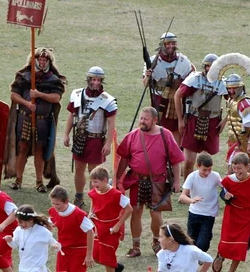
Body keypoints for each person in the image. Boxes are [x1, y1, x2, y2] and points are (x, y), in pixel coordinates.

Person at [115, 106, 183, 256]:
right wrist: (118, 179)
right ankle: (136, 246)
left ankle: (157, 242)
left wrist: (177, 181)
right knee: (136, 212)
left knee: (156, 214)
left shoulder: (166, 135)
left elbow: (175, 160)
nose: (142, 121)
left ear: (155, 120)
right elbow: (124, 158)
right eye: (141, 118)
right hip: (136, 180)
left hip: (158, 180)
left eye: (146, 119)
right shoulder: (133, 135)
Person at [9, 48, 66, 192]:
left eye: (44, 60)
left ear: (48, 61)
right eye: (39, 59)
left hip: (42, 120)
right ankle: (18, 179)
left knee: (40, 150)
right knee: (22, 148)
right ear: (34, 60)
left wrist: (39, 94)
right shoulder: (24, 76)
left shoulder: (53, 79)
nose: (42, 62)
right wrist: (27, 103)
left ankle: (39, 182)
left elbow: (56, 97)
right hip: (25, 117)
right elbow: (14, 95)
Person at [63, 66, 117, 208]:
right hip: (80, 138)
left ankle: (95, 198)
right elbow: (71, 116)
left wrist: (108, 143)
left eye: (98, 80)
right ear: (89, 80)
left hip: (96, 139)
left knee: (94, 172)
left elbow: (111, 124)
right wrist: (66, 134)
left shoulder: (108, 100)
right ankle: (79, 196)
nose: (96, 83)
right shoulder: (77, 94)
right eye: (93, 79)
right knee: (79, 168)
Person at [213, 153, 250, 272]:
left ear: (247, 167)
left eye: (239, 168)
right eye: (234, 168)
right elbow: (223, 194)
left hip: (247, 216)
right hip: (232, 214)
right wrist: (226, 197)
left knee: (241, 247)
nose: (237, 171)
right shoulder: (228, 180)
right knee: (226, 242)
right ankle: (221, 255)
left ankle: (231, 270)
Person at [174, 53, 227, 179]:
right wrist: (180, 120)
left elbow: (233, 102)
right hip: (193, 119)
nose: (210, 69)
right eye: (208, 66)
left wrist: (225, 121)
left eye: (213, 67)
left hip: (212, 121)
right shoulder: (194, 79)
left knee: (206, 161)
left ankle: (204, 185)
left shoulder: (222, 83)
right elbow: (178, 95)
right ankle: (187, 188)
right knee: (189, 161)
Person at [143, 31, 194, 144]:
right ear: (162, 45)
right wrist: (148, 76)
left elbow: (191, 82)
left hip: (177, 101)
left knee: (176, 130)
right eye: (167, 44)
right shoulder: (153, 61)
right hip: (159, 99)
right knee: (157, 128)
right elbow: (146, 84)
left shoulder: (183, 61)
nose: (171, 46)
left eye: (173, 43)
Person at [88, 166, 132, 272]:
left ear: (105, 180)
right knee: (96, 255)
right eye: (92, 182)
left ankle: (113, 267)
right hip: (97, 228)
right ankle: (116, 267)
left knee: (107, 259)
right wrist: (91, 212)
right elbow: (93, 200)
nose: (93, 185)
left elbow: (129, 210)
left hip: (110, 230)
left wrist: (117, 226)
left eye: (96, 182)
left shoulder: (116, 195)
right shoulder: (95, 192)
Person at [178, 153, 222, 252]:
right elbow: (182, 197)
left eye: (209, 169)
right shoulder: (192, 177)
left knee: (203, 243)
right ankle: (193, 262)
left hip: (209, 214)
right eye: (204, 170)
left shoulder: (215, 176)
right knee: (191, 241)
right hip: (194, 213)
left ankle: (199, 258)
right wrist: (192, 200)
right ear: (197, 166)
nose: (207, 173)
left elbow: (225, 187)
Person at [48, 185, 95, 272]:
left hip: (78, 252)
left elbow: (90, 232)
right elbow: (48, 225)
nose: (55, 207)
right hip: (63, 251)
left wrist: (89, 254)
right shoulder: (53, 211)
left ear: (66, 201)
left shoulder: (78, 215)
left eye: (57, 204)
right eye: (53, 203)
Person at [220, 74, 250, 171]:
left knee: (240, 172)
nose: (231, 91)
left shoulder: (246, 104)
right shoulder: (232, 100)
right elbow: (231, 114)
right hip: (235, 142)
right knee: (234, 171)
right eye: (229, 88)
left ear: (240, 88)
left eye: (234, 88)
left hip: (244, 143)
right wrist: (223, 122)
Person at [4, 205, 60, 272]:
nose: (19, 224)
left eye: (21, 222)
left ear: (31, 220)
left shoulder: (42, 231)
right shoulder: (18, 230)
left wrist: (56, 246)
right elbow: (15, 245)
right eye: (18, 222)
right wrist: (10, 241)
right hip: (24, 267)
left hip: (38, 268)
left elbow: (55, 244)